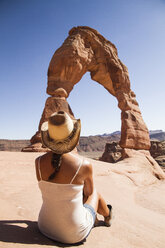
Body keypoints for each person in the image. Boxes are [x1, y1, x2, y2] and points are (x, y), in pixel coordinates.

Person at [35, 111, 113, 244]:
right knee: (95, 193)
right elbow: (89, 194)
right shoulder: (84, 165)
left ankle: (95, 217)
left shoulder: (38, 162)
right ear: (72, 137)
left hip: (44, 227)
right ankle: (107, 217)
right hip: (73, 235)